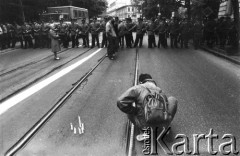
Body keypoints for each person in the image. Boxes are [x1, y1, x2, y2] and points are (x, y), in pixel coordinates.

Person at [117, 74, 178, 141]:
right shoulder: (160, 90)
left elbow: (120, 101)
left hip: (145, 125)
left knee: (132, 104)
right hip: (162, 125)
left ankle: (143, 132)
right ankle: (164, 128)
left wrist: (136, 110)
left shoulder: (138, 88)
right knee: (172, 99)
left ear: (141, 82)